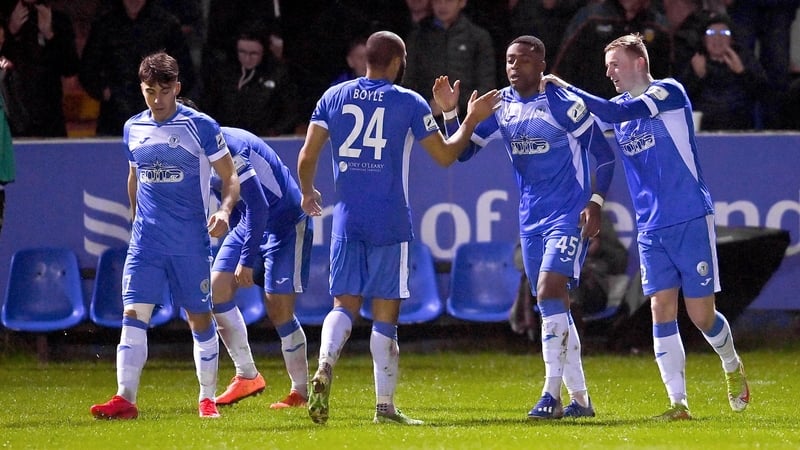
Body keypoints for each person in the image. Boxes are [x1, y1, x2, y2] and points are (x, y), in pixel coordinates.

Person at [542, 33, 750, 420]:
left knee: (702, 315)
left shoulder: (669, 92)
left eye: (615, 65)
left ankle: (731, 362)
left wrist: (565, 85)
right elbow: (590, 121)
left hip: (689, 216)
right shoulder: (618, 106)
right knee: (660, 308)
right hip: (651, 226)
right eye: (607, 68)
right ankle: (678, 404)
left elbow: (611, 112)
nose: (610, 74)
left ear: (639, 62)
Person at [297, 30, 500, 425]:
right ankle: (384, 408)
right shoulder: (406, 102)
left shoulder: (333, 96)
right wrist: (467, 117)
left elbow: (307, 154)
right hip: (390, 219)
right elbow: (444, 156)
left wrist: (307, 192)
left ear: (367, 59)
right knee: (386, 316)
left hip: (347, 217)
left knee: (344, 305)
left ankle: (323, 365)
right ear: (396, 62)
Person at [433, 35, 616, 420]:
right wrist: (453, 113)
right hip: (531, 219)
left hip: (568, 213)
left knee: (551, 288)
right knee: (552, 306)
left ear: (541, 63)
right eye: (509, 60)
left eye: (523, 60)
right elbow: (462, 152)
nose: (514, 67)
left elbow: (603, 153)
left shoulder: (563, 103)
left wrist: (596, 203)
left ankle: (549, 395)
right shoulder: (501, 105)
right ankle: (580, 400)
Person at [89, 51, 240, 420]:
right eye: (149, 91)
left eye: (164, 91)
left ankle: (207, 398)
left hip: (190, 242)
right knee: (132, 313)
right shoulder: (133, 128)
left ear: (177, 88)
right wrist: (135, 216)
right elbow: (134, 176)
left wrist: (223, 210)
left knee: (199, 319)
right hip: (146, 241)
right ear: (142, 90)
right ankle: (125, 398)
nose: (157, 100)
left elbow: (230, 176)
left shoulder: (200, 126)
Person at [206, 122, 312, 410]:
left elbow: (259, 207)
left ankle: (300, 392)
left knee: (278, 308)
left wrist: (246, 260)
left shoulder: (231, 149)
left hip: (286, 222)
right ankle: (247, 375)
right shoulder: (196, 150)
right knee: (216, 292)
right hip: (249, 221)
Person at [79, 0, 196, 136]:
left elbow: (185, 71)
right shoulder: (105, 25)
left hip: (159, 119)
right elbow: (87, 69)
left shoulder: (167, 24)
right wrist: (105, 92)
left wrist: (165, 94)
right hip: (115, 117)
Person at [552, 0, 672, 101]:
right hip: (592, 112)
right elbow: (562, 69)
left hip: (639, 114)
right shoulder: (591, 18)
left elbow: (665, 78)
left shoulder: (658, 26)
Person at [404, 0, 496, 122]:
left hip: (467, 118)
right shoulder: (418, 37)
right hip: (426, 117)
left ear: (462, 2)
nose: (442, 6)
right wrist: (427, 104)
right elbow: (407, 81)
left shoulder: (478, 37)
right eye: (437, 1)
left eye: (448, 1)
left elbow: (487, 84)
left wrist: (456, 105)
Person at [0, 0, 79, 137]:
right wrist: (10, 33)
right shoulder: (4, 18)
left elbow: (70, 68)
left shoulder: (58, 20)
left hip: (50, 121)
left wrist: (50, 36)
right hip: (12, 119)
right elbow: (4, 64)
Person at [202, 27, 300, 136]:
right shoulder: (223, 73)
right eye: (242, 52)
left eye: (254, 54)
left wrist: (274, 132)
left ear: (264, 52)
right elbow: (208, 104)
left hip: (265, 141)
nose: (247, 59)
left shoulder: (278, 74)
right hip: (227, 140)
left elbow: (291, 111)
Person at [680, 14, 767, 130]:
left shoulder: (745, 60)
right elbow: (680, 100)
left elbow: (765, 94)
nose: (717, 38)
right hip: (704, 127)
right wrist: (697, 76)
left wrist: (742, 73)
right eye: (711, 33)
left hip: (739, 126)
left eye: (724, 33)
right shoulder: (695, 61)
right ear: (703, 39)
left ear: (732, 39)